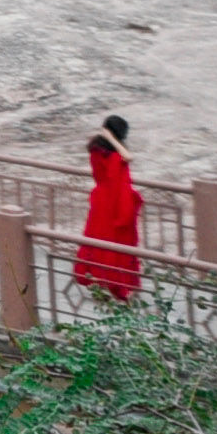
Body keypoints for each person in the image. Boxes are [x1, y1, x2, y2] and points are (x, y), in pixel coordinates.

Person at [71, 112, 145, 302]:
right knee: (117, 242)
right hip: (115, 201)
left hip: (101, 200)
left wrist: (107, 136)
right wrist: (112, 138)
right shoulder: (114, 155)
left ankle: (101, 280)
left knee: (100, 239)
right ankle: (116, 285)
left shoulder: (96, 149)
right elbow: (129, 157)